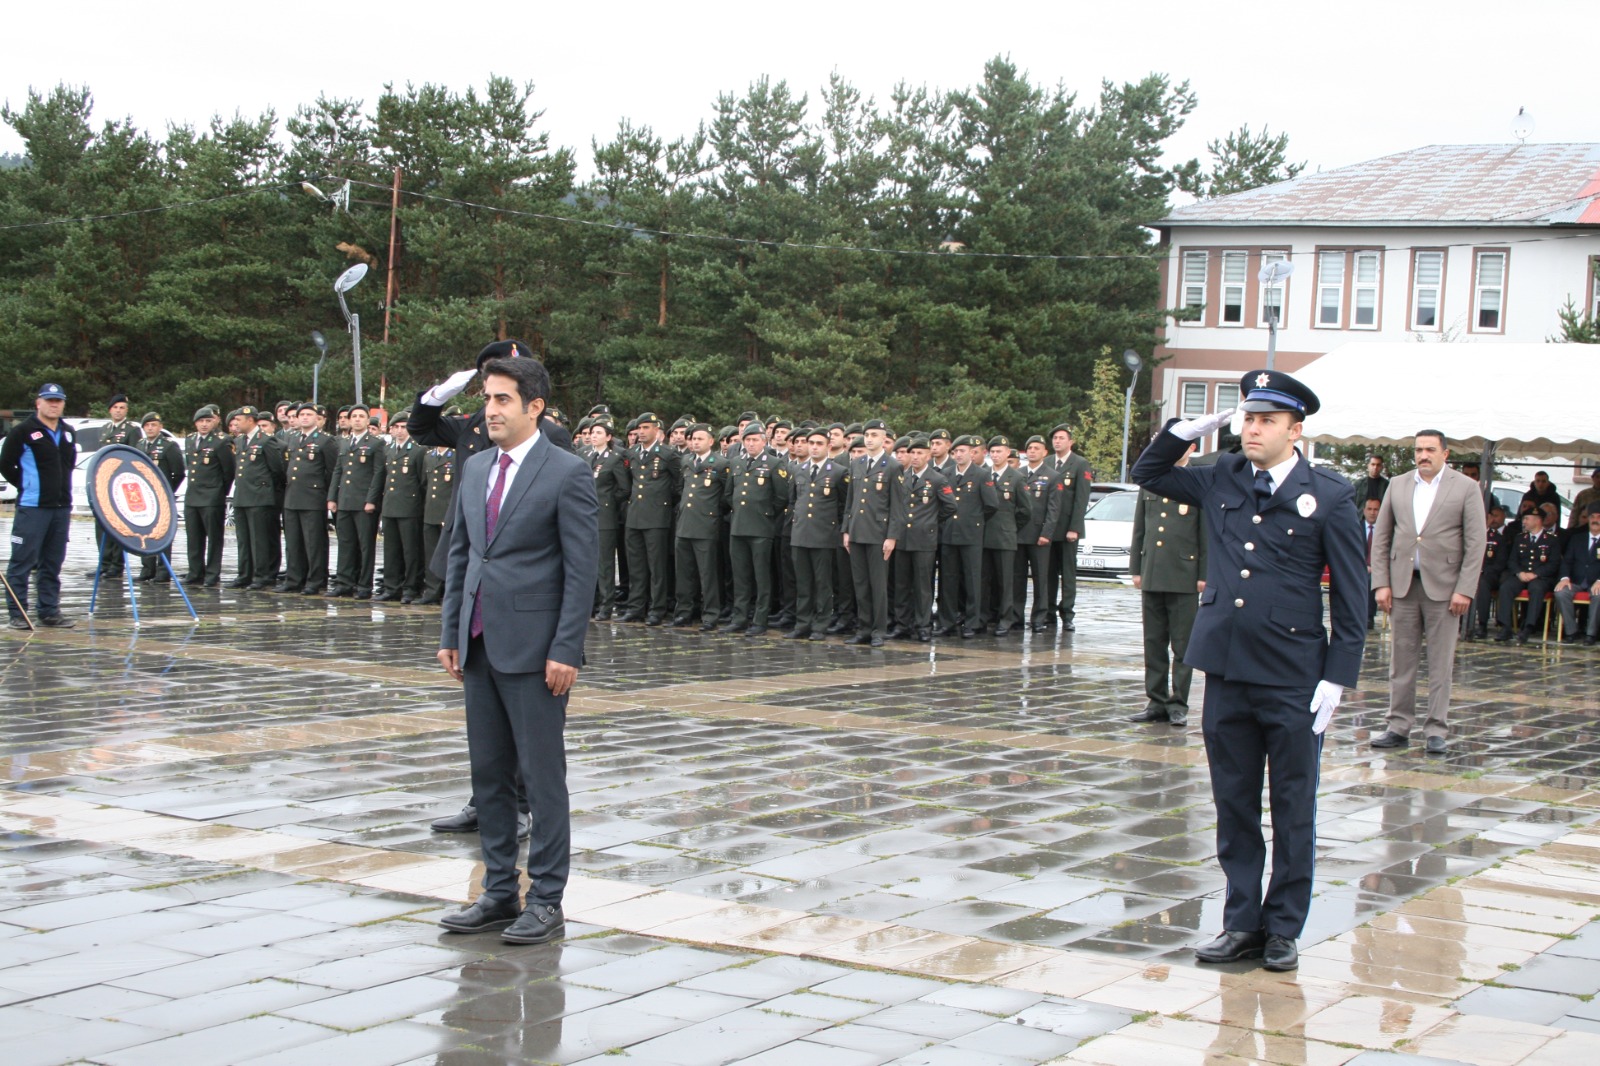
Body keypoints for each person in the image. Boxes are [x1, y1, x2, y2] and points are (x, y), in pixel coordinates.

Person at [1132, 368, 1365, 973]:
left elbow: (1351, 596)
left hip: (1292, 674)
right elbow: (1149, 474)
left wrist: (1337, 676)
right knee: (1234, 805)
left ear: (1297, 430)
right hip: (1227, 669)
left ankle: (1283, 927)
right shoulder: (1224, 474)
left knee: (1293, 806)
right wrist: (1186, 430)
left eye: (1266, 420)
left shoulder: (1331, 495)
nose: (1253, 429)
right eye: (1248, 418)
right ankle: (1241, 922)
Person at [436, 357, 597, 943]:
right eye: (488, 398)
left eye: (504, 399)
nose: (491, 410)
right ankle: (499, 891)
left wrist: (566, 648)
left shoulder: (566, 472)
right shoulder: (477, 467)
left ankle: (547, 899)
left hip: (536, 652)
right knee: (489, 775)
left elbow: (582, 572)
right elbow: (463, 555)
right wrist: (452, 633)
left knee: (541, 776)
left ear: (535, 408)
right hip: (478, 645)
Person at [1368, 431, 1486, 755]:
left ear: (1445, 454)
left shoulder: (1465, 487)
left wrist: (1465, 589)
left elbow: (1476, 543)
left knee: (1440, 662)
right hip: (1403, 584)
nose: (1423, 455)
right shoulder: (1400, 484)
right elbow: (1382, 537)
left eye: (1430, 449)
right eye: (1419, 449)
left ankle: (1436, 729)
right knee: (1401, 661)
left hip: (1446, 589)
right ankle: (1397, 725)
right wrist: (1382, 583)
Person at [1128, 440, 1207, 727]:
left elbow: (1205, 532)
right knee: (1153, 641)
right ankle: (1156, 701)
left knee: (1183, 645)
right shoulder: (1153, 479)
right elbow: (1141, 527)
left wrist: (1203, 574)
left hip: (1184, 573)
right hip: (1153, 570)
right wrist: (1136, 566)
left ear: (1192, 448)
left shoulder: (1197, 480)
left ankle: (1178, 703)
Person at [2, 383, 78, 629]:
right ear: (38, 403)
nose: (54, 404)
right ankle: (17, 613)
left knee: (52, 562)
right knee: (22, 562)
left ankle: (49, 611)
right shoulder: (23, 431)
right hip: (32, 507)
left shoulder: (68, 432)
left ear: (63, 403)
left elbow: (68, 466)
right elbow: (5, 464)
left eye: (58, 400)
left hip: (61, 508)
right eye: (49, 400)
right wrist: (27, 485)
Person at [845, 419, 903, 647]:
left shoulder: (892, 465)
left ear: (883, 439)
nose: (869, 439)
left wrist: (892, 536)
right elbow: (851, 501)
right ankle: (864, 628)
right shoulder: (857, 463)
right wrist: (846, 530)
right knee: (860, 583)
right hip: (857, 531)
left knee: (877, 585)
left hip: (879, 533)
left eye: (874, 435)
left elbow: (898, 505)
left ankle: (879, 630)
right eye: (867, 435)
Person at [724, 422, 786, 636]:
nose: (751, 444)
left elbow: (780, 498)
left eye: (755, 440)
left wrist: (765, 515)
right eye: (748, 440)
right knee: (741, 576)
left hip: (761, 528)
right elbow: (729, 494)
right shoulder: (736, 463)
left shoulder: (774, 464)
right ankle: (740, 617)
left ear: (764, 441)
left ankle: (760, 619)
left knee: (761, 577)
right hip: (739, 526)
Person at [891, 436, 954, 641]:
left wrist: (931, 522)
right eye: (913, 453)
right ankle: (903, 624)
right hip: (902, 538)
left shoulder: (937, 479)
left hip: (924, 540)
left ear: (928, 455)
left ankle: (923, 625)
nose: (916, 457)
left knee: (922, 586)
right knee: (901, 584)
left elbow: (950, 506)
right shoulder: (902, 476)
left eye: (920, 453)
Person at [789, 428, 849, 640]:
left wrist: (840, 531)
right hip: (800, 533)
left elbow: (844, 505)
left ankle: (820, 624)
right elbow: (793, 500)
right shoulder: (798, 469)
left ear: (828, 446)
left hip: (824, 535)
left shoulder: (839, 472)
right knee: (803, 582)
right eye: (811, 443)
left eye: (819, 443)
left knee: (822, 583)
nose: (814, 447)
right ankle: (802, 623)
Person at [936, 435, 998, 638]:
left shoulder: (981, 475)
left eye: (963, 451)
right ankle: (947, 622)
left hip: (971, 534)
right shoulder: (946, 474)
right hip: (949, 534)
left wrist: (975, 522)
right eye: (956, 451)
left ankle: (973, 622)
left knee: (973, 580)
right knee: (948, 580)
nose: (959, 455)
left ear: (972, 453)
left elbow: (991, 505)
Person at [621, 412, 680, 625]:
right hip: (635, 516)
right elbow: (629, 484)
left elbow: (678, 485)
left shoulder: (668, 454)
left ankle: (657, 608)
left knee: (657, 567)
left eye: (646, 428)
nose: (642, 432)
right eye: (639, 428)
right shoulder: (632, 453)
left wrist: (663, 503)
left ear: (657, 430)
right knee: (636, 565)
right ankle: (636, 607)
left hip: (657, 517)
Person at [672, 424, 728, 630]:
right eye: (693, 438)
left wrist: (713, 513)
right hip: (685, 524)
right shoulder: (686, 461)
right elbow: (681, 488)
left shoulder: (721, 464)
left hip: (706, 525)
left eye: (700, 439)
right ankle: (684, 612)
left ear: (710, 441)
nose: (695, 442)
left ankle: (711, 614)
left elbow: (726, 495)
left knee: (708, 574)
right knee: (684, 572)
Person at [279, 403, 339, 595]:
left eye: (309, 414)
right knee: (293, 541)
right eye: (301, 414)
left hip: (313, 497)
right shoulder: (293, 438)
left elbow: (331, 471)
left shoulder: (324, 441)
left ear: (317, 418)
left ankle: (316, 580)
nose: (304, 417)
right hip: (292, 496)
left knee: (314, 542)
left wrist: (328, 495)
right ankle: (294, 578)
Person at [329, 404, 386, 599]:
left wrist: (371, 500)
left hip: (364, 503)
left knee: (365, 546)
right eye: (354, 416)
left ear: (368, 420)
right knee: (345, 543)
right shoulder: (345, 443)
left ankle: (364, 585)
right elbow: (339, 471)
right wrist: (332, 497)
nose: (357, 419)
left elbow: (378, 473)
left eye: (362, 416)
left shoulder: (376, 444)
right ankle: (344, 583)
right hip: (345, 500)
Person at [229, 409, 286, 590]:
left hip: (259, 496)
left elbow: (277, 469)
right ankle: (245, 574)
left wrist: (268, 491)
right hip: (242, 495)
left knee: (259, 539)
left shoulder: (266, 440)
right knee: (244, 539)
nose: (236, 424)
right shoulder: (239, 441)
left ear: (250, 420)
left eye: (239, 420)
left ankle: (263, 575)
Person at [981, 437, 1031, 636]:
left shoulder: (1016, 478)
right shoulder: (983, 475)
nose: (995, 455)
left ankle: (1006, 618)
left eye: (999, 452)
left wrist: (1010, 527)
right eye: (992, 452)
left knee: (1005, 581)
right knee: (985, 580)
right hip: (984, 536)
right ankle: (986, 616)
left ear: (1008, 453)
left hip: (1004, 537)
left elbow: (1025, 511)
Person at [1045, 423, 1093, 631]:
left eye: (1061, 438)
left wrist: (1074, 528)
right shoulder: (1047, 463)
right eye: (1055, 438)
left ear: (1070, 442)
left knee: (1067, 573)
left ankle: (1067, 614)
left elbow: (1081, 499)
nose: (1057, 441)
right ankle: (1048, 612)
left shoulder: (1080, 464)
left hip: (1067, 529)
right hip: (1047, 529)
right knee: (1047, 573)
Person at [1013, 436, 1063, 631]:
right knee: (1017, 578)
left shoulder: (1052, 476)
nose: (1032, 451)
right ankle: (1017, 616)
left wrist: (1047, 533)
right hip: (1019, 534)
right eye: (1030, 448)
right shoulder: (1018, 474)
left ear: (1045, 453)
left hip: (1039, 535)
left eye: (1037, 448)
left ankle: (1039, 618)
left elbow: (1054, 509)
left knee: (1041, 578)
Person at [183, 405, 235, 587]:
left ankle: (212, 573)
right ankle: (195, 571)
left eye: (208, 421)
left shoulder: (221, 441)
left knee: (214, 538)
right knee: (193, 537)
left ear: (214, 422)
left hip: (212, 496)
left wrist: (220, 492)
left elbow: (229, 471)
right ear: (195, 423)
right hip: (192, 496)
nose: (204, 425)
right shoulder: (190, 440)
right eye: (200, 421)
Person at [376, 413, 426, 603]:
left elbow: (422, 482)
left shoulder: (417, 451)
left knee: (410, 551)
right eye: (395, 427)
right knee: (391, 550)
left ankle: (410, 588)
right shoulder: (389, 450)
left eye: (403, 427)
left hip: (409, 508)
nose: (399, 430)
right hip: (390, 507)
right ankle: (391, 587)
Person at [91, 393, 139, 579]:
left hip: (120, 482)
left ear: (127, 411)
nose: (118, 411)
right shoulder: (104, 429)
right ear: (110, 409)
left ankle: (116, 565)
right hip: (103, 482)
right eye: (115, 407)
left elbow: (133, 457)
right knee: (101, 524)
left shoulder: (131, 430)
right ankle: (103, 563)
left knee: (117, 524)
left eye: (122, 408)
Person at [1494, 511, 1561, 644]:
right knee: (1506, 587)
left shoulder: (1552, 539)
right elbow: (1512, 560)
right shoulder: (1520, 538)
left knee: (1536, 589)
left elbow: (1554, 564)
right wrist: (1519, 573)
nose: (1523, 522)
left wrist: (1536, 574)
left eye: (1526, 519)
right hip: (1522, 575)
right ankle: (1505, 627)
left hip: (1541, 577)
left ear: (1537, 521)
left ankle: (1528, 627)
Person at [134, 413, 186, 584]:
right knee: (144, 532)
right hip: (143, 497)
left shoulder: (168, 446)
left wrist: (166, 491)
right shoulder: (140, 445)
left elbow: (178, 472)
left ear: (160, 426)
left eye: (154, 425)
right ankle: (147, 568)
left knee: (161, 533)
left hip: (162, 496)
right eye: (147, 425)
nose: (150, 428)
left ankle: (163, 570)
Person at [588, 421, 630, 620]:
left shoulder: (614, 459)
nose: (593, 436)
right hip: (586, 517)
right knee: (589, 562)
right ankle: (592, 602)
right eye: (592, 432)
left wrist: (608, 503)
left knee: (605, 564)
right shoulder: (585, 455)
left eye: (598, 432)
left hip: (605, 516)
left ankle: (606, 605)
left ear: (608, 437)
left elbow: (623, 488)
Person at [1553, 504, 1600, 646]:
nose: (1595, 520)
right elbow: (1567, 561)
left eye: (1599, 517)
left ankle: (1591, 634)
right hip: (1577, 582)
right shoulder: (1577, 539)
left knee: (1599, 595)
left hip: (1597, 583)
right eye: (1592, 517)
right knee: (1561, 593)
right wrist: (1565, 578)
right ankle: (1571, 631)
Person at [417, 444, 456, 606]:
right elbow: (424, 484)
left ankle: (449, 591)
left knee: (449, 554)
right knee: (431, 553)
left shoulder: (455, 455)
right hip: (431, 511)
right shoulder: (429, 456)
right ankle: (432, 591)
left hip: (447, 512)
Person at [1469, 505, 1510, 639]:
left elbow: (1500, 563)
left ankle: (1482, 624)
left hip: (1489, 574)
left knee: (1482, 584)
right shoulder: (1471, 534)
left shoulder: (1497, 538)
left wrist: (1481, 571)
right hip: (1471, 571)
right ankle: (1461, 622)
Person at [1360, 498, 1381, 629]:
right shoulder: (1355, 527)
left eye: (1376, 509)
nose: (1372, 513)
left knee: (1371, 579)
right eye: (1369, 509)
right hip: (1359, 568)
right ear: (1364, 511)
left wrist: (1376, 567)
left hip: (1380, 569)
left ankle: (1368, 617)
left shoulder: (1386, 529)